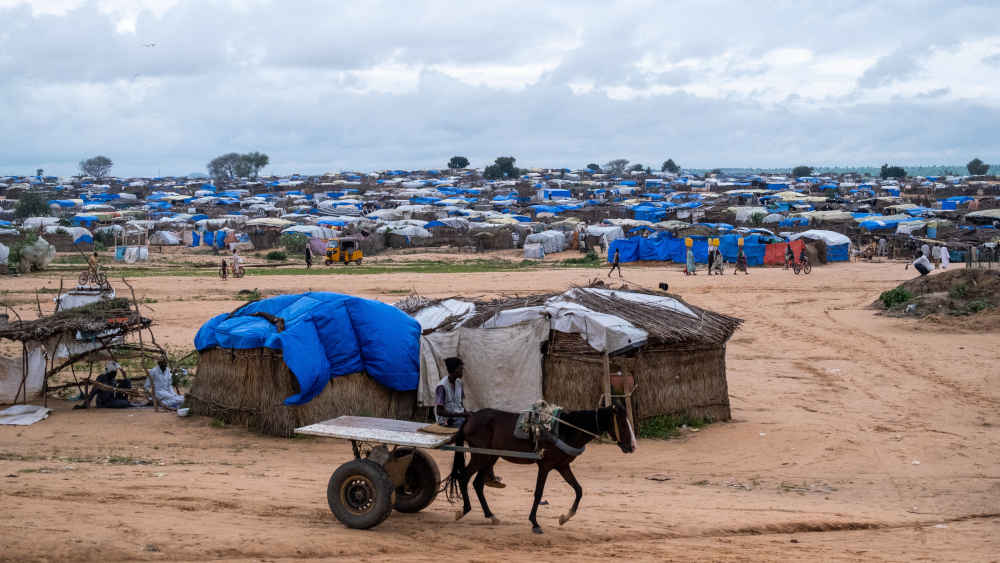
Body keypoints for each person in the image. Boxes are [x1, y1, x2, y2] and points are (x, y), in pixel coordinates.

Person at [435, 358, 504, 488]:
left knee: (482, 424)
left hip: (460, 417)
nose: (462, 371)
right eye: (460, 368)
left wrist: (468, 414)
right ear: (454, 370)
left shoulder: (459, 383)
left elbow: (460, 405)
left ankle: (487, 473)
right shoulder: (442, 386)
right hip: (448, 421)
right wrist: (462, 414)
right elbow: (440, 411)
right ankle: (488, 474)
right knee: (481, 438)